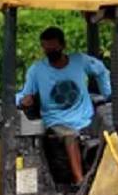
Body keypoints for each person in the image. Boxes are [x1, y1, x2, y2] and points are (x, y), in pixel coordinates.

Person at [16, 27, 111, 183]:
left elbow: (101, 71)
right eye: (46, 49)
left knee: (111, 129)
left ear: (62, 46)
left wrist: (108, 95)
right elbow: (23, 93)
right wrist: (22, 100)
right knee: (70, 136)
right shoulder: (37, 70)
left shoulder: (80, 61)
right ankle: (79, 181)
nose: (50, 53)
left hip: (86, 118)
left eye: (54, 49)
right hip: (57, 121)